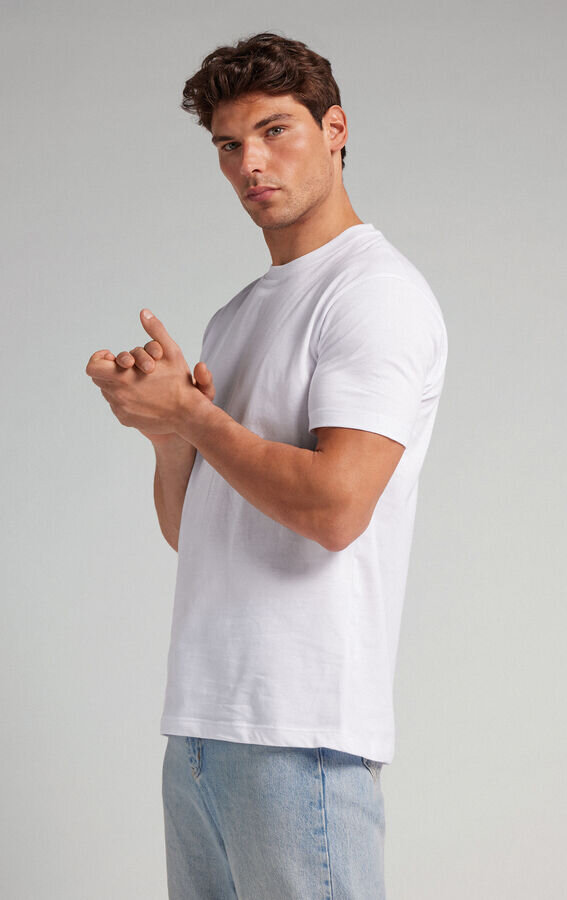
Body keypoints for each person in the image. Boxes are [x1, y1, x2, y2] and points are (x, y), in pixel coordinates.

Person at [86, 31, 448, 900]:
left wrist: (195, 415)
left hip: (302, 732)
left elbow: (335, 509)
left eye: (274, 130)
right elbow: (197, 533)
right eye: (228, 144)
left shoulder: (372, 293)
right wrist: (168, 434)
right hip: (201, 728)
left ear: (335, 129)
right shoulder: (238, 315)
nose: (250, 162)